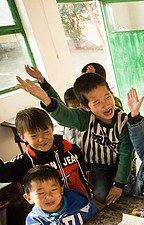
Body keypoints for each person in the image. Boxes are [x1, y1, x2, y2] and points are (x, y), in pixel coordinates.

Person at [16, 73, 135, 205]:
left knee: (127, 193)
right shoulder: (85, 117)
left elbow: (126, 156)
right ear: (86, 107)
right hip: (100, 166)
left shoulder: (123, 122)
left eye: (108, 97)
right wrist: (46, 99)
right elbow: (65, 115)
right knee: (101, 195)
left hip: (122, 164)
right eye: (97, 102)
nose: (106, 104)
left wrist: (118, 185)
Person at [0, 107, 89, 196]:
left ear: (52, 128)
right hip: (52, 208)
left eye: (46, 132)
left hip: (82, 203)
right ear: (22, 137)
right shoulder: (26, 162)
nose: (41, 139)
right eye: (33, 136)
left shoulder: (72, 149)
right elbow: (3, 174)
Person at [24, 64, 123, 110]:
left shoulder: (112, 102)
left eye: (88, 79)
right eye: (83, 78)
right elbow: (58, 103)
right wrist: (42, 81)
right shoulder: (73, 96)